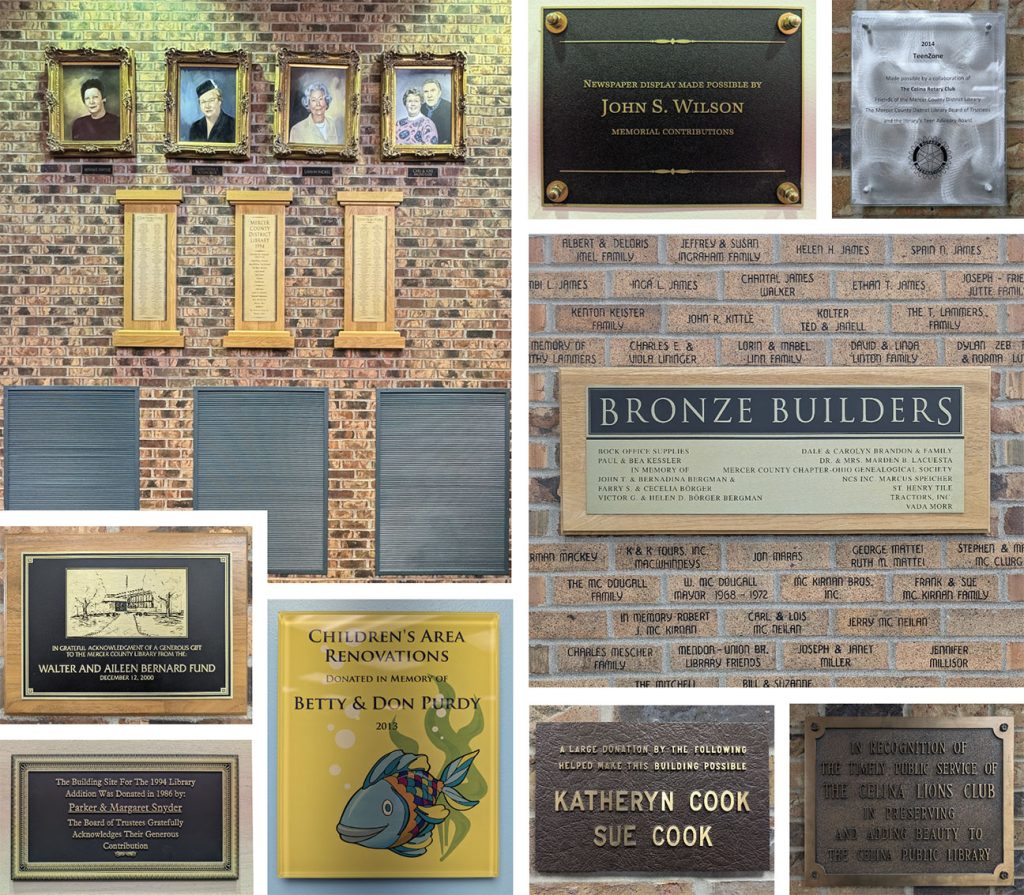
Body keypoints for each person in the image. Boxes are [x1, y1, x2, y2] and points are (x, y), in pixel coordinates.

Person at [188, 78, 235, 142]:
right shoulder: (195, 127)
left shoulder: (232, 125)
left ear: (219, 101)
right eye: (203, 102)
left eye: (211, 100)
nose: (207, 105)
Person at [421, 77, 451, 144]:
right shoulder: (420, 109)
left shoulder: (450, 108)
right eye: (426, 92)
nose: (429, 95)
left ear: (439, 93)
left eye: (432, 91)